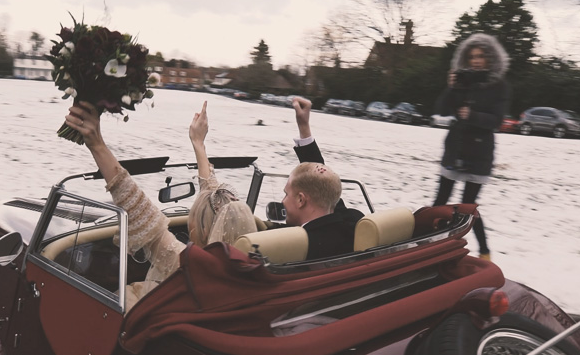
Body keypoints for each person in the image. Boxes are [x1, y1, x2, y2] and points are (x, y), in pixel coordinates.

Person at [64, 100, 256, 311]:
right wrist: (198, 143)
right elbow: (213, 198)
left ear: (202, 231)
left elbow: (134, 202)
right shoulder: (256, 272)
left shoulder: (190, 268)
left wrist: (96, 143)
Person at [432, 33, 510, 261]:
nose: (476, 60)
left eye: (481, 56)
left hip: (479, 152)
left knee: (467, 208)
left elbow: (497, 121)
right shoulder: (462, 79)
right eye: (472, 56)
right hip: (455, 147)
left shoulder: (500, 85)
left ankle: (484, 252)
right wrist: (451, 88)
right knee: (439, 203)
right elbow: (442, 111)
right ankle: (430, 245)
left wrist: (473, 115)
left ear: (490, 58)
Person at [285, 96, 364, 259]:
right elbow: (320, 186)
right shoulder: (354, 222)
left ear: (301, 200)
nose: (282, 201)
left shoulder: (297, 246)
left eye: (286, 194)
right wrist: (303, 126)